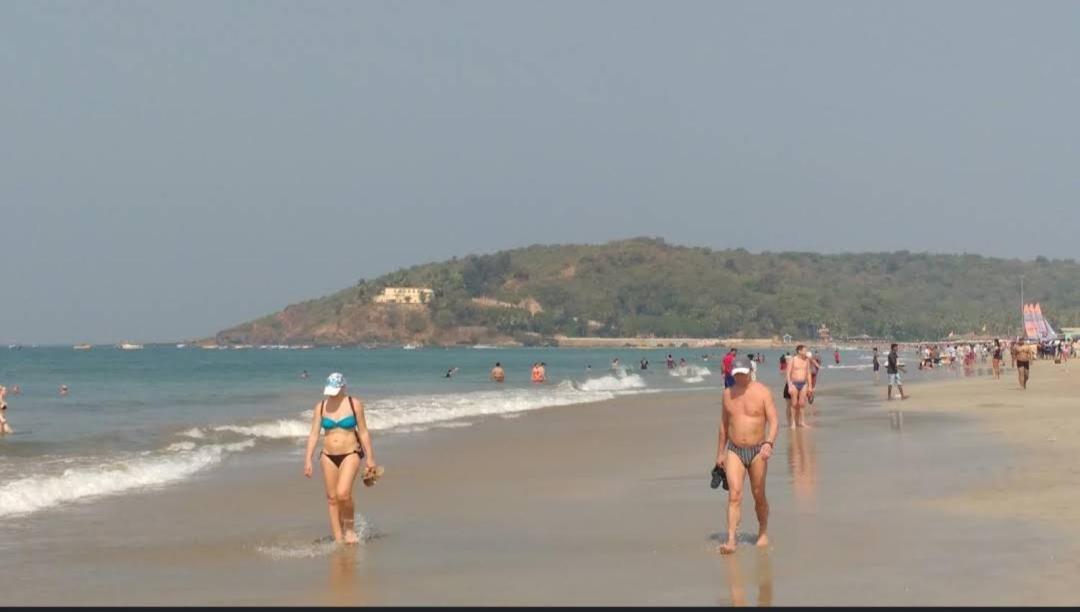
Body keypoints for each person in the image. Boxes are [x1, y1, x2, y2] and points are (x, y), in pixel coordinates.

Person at [303, 373, 380, 545]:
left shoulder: (355, 404)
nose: (331, 394)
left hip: (350, 453)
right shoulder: (321, 407)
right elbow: (314, 434)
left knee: (343, 493)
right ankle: (338, 539)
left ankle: (350, 529)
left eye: (335, 390)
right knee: (332, 498)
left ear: (343, 387)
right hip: (327, 455)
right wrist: (308, 459)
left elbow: (364, 431)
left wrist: (370, 458)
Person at [714, 356, 779, 555]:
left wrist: (769, 443)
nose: (740, 378)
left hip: (758, 450)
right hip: (734, 450)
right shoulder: (727, 394)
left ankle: (763, 531)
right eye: (736, 375)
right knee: (734, 494)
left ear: (750, 371)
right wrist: (720, 453)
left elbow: (774, 422)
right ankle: (731, 539)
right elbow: (724, 425)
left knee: (758, 494)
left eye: (743, 374)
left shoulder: (762, 392)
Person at [785, 345, 813, 428]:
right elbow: (788, 374)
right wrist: (789, 386)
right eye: (805, 350)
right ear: (799, 351)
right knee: (793, 404)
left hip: (803, 383)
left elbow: (808, 373)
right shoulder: (793, 360)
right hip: (794, 383)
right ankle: (793, 423)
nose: (806, 352)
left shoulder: (807, 360)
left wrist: (810, 386)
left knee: (802, 404)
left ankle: (802, 422)